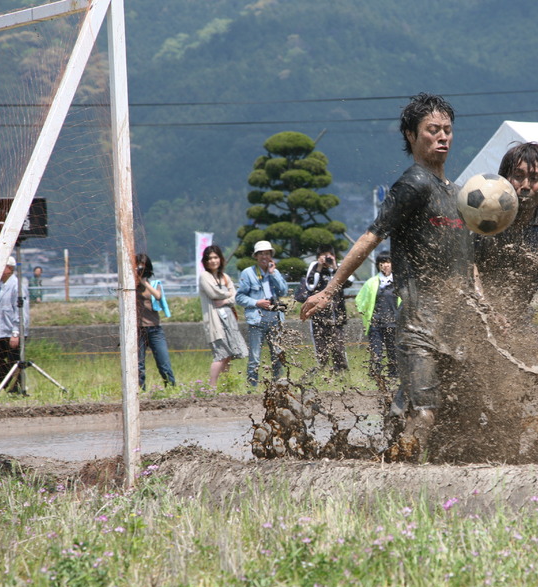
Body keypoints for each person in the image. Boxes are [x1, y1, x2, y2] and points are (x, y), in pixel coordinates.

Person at [300, 92, 472, 447]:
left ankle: (379, 458)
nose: (442, 137)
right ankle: (397, 483)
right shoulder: (413, 184)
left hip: (455, 327)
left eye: (447, 130)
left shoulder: (455, 193)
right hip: (418, 328)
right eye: (432, 130)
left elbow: (464, 264)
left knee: (443, 412)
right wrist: (330, 290)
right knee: (425, 413)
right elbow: (369, 238)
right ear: (411, 135)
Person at [473, 141, 538, 346]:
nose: (526, 186)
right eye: (518, 176)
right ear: (504, 179)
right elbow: (468, 267)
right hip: (472, 317)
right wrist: (485, 309)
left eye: (535, 178)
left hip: (515, 328)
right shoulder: (483, 219)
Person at [236, 240, 288, 387]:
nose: (264, 257)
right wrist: (257, 302)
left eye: (267, 253)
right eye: (261, 254)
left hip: (275, 319)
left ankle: (279, 386)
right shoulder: (248, 273)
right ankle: (252, 387)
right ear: (256, 256)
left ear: (271, 255)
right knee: (255, 357)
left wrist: (273, 274)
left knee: (278, 355)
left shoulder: (275, 272)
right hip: (257, 320)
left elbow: (283, 291)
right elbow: (239, 297)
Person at [199, 244, 246, 390]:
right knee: (220, 354)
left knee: (229, 354)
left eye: (215, 257)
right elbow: (213, 293)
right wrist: (228, 295)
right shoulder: (204, 276)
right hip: (215, 321)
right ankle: (212, 387)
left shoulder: (224, 277)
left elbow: (235, 295)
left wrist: (226, 300)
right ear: (205, 261)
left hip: (229, 319)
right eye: (209, 258)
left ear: (220, 258)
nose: (213, 261)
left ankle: (226, 385)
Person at [304, 245, 351, 373]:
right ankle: (322, 373)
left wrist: (335, 268)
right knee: (321, 350)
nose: (327, 258)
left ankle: (341, 373)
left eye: (329, 255)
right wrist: (319, 267)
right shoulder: (314, 267)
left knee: (338, 348)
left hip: (337, 316)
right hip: (319, 317)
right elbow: (310, 285)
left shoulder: (339, 267)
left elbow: (348, 282)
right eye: (323, 255)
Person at [354, 251, 400, 382]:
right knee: (376, 352)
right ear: (378, 265)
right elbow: (360, 301)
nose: (385, 265)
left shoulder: (398, 282)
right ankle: (376, 376)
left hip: (394, 323)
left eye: (388, 262)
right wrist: (365, 313)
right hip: (376, 323)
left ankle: (394, 376)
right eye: (382, 263)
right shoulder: (371, 282)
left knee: (393, 352)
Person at [135, 253, 176, 390]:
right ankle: (140, 390)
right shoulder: (131, 286)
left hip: (155, 329)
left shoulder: (154, 284)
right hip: (138, 329)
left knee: (163, 362)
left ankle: (171, 388)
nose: (140, 270)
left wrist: (144, 282)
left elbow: (158, 296)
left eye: (143, 268)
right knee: (138, 364)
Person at [0, 256, 26, 393]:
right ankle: (12, 387)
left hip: (12, 333)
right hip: (1, 332)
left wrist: (16, 333)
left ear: (9, 268)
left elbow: (21, 312)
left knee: (13, 363)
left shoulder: (17, 286)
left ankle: (17, 390)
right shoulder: (0, 287)